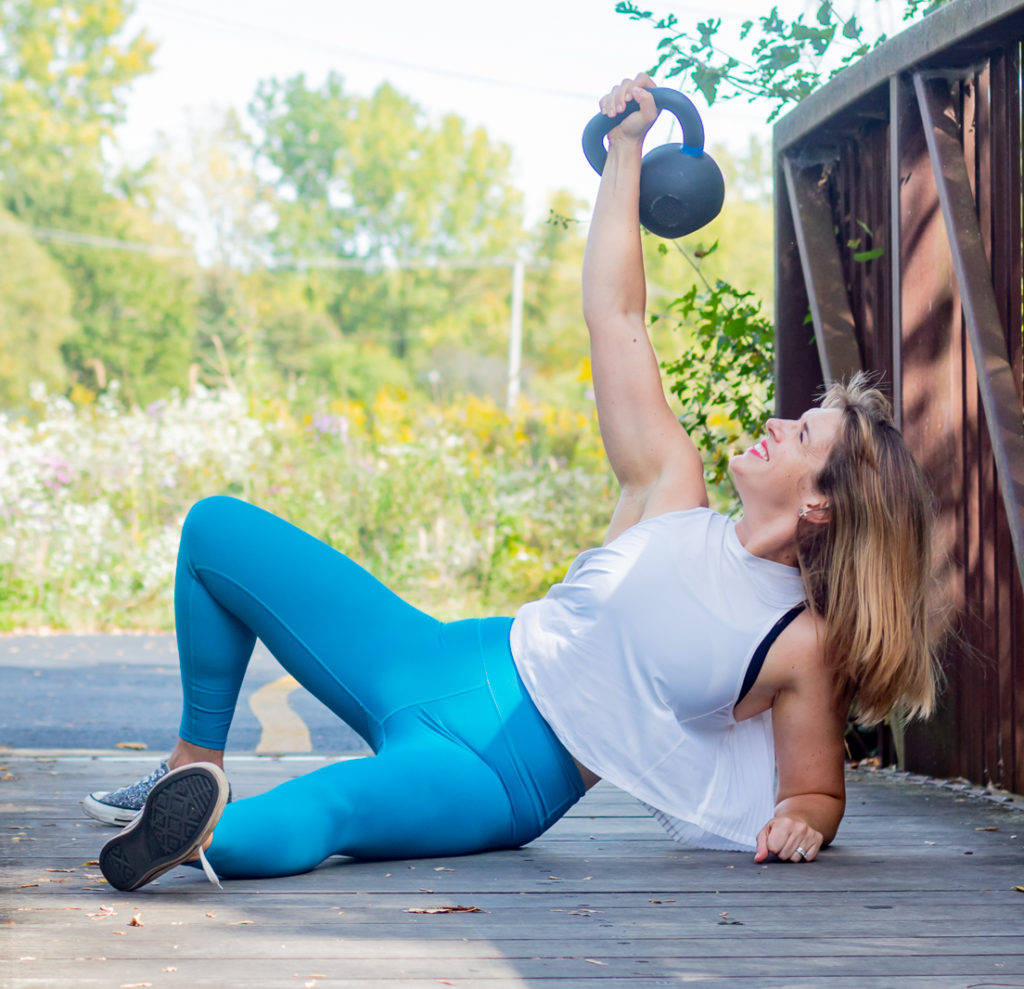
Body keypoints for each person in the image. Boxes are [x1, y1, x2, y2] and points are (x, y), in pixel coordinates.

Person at [87, 74, 937, 893]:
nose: (780, 422)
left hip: (496, 773)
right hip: (442, 658)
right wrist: (625, 154)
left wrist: (804, 819)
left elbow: (816, 788)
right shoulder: (670, 486)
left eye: (805, 434)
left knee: (334, 805)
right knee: (216, 532)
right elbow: (618, 316)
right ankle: (191, 767)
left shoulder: (796, 642)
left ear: (822, 501)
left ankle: (189, 834)